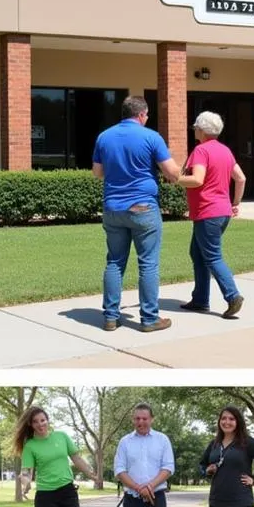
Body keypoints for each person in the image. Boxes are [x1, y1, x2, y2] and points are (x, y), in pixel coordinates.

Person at [92, 95, 181, 332]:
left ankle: (111, 317)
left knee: (114, 262)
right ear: (142, 114)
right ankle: (149, 319)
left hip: (113, 208)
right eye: (147, 115)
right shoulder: (151, 136)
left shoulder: (104, 136)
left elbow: (97, 173)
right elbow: (173, 172)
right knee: (148, 264)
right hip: (143, 208)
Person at [176, 111, 246, 318]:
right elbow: (240, 178)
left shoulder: (201, 150)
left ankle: (232, 296)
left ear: (202, 129)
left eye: (195, 126)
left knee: (212, 256)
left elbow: (197, 180)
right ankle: (199, 300)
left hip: (207, 211)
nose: (194, 129)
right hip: (221, 211)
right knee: (197, 254)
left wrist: (175, 178)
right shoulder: (225, 151)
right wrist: (235, 203)